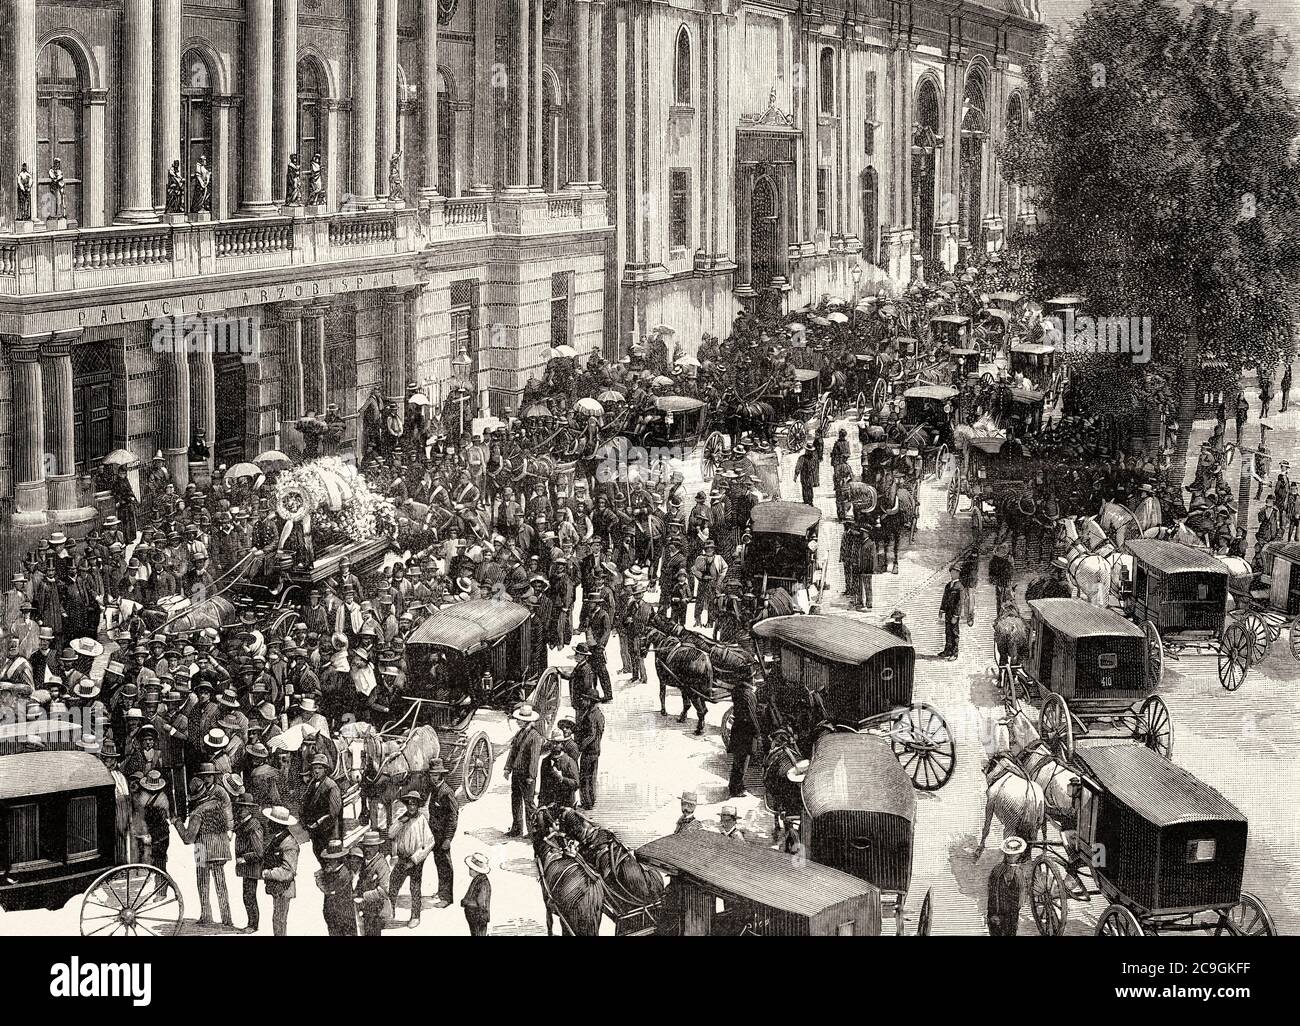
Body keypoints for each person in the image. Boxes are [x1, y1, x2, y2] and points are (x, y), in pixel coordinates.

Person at [175, 768, 234, 927]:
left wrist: (177, 823)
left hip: (202, 849)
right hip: (221, 847)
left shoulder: (197, 812)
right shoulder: (218, 803)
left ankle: (206, 916)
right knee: (221, 884)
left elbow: (188, 839)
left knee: (203, 883)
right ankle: (227, 918)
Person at [387, 789, 435, 928]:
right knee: (393, 884)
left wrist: (415, 859)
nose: (411, 807)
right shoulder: (402, 818)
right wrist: (400, 823)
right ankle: (390, 912)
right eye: (409, 804)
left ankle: (415, 916)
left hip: (415, 861)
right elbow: (391, 834)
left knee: (415, 889)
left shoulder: (421, 821)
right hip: (402, 858)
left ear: (418, 805)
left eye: (414, 804)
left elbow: (430, 842)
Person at [503, 703, 543, 836]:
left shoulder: (535, 737)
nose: (518, 722)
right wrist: (507, 768)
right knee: (515, 800)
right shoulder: (519, 733)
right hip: (516, 773)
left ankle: (533, 831)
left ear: (527, 721)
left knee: (529, 803)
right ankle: (517, 828)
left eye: (520, 720)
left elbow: (534, 758)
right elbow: (513, 752)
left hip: (527, 775)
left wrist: (531, 776)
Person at [259, 805, 300, 936]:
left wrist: (267, 873)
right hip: (277, 888)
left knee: (280, 921)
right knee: (277, 920)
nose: (268, 823)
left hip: (284, 888)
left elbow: (288, 871)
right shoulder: (278, 839)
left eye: (271, 821)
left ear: (278, 824)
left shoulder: (289, 843)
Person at [426, 758, 459, 908]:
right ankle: (441, 891)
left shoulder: (446, 792)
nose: (432, 777)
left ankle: (447, 898)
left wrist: (448, 838)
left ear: (441, 775)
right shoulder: (435, 789)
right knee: (439, 863)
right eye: (431, 775)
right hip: (435, 835)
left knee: (445, 865)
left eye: (435, 775)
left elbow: (453, 817)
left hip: (443, 836)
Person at [232, 795, 264, 933]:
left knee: (249, 896)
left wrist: (245, 858)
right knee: (247, 896)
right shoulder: (243, 822)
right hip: (246, 868)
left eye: (242, 807)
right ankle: (251, 923)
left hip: (251, 867)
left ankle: (253, 925)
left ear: (249, 809)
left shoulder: (254, 825)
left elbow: (259, 852)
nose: (239, 810)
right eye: (238, 806)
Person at [300, 752, 342, 857]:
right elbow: (305, 803)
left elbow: (334, 813)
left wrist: (318, 822)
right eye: (314, 768)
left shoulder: (331, 786)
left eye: (320, 768)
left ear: (326, 770)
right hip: (315, 831)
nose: (316, 771)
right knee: (317, 853)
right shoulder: (312, 784)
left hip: (328, 831)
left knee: (329, 857)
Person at [316, 838, 358, 936]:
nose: (327, 862)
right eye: (327, 859)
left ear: (338, 859)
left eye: (330, 859)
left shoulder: (344, 874)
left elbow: (328, 889)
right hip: (331, 914)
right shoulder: (330, 871)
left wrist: (321, 878)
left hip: (343, 916)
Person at [354, 829, 393, 936]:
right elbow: (361, 880)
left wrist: (364, 896)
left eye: (371, 847)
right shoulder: (365, 862)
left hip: (377, 908)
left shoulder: (382, 865)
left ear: (377, 847)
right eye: (366, 846)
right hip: (366, 907)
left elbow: (384, 890)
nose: (368, 849)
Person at [727, 676, 760, 798]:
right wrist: (757, 732)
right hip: (746, 732)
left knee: (737, 760)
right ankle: (737, 789)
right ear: (750, 680)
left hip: (737, 728)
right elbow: (752, 716)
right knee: (743, 761)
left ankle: (734, 785)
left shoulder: (736, 691)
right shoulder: (748, 695)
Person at [987, 835, 1026, 936]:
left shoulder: (1017, 872)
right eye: (1011, 855)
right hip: (1000, 912)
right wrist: (993, 914)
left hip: (1009, 914)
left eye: (1014, 855)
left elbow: (1021, 894)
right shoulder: (998, 871)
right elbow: (992, 893)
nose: (1012, 857)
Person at [538, 727, 580, 808]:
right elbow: (543, 786)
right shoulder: (545, 761)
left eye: (557, 743)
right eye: (552, 743)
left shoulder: (569, 761)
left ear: (562, 744)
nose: (554, 745)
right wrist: (541, 804)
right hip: (549, 803)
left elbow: (576, 783)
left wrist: (562, 778)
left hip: (566, 803)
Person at [575, 696, 604, 810]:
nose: (582, 701)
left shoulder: (590, 716)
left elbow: (591, 735)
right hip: (596, 749)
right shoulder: (599, 714)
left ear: (590, 701)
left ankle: (586, 802)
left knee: (584, 776)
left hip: (589, 750)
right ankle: (592, 800)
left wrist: (581, 746)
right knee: (592, 776)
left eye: (585, 699)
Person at [939, 564, 973, 660]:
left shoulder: (960, 586)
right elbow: (944, 599)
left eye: (956, 572)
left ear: (959, 573)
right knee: (947, 631)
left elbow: (960, 603)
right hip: (948, 613)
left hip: (954, 614)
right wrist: (941, 610)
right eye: (952, 572)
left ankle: (954, 653)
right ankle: (947, 650)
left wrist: (956, 615)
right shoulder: (948, 585)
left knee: (954, 632)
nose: (954, 574)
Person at [462, 852, 492, 936]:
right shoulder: (477, 879)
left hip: (479, 917)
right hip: (475, 916)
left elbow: (481, 903)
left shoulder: (483, 883)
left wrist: (466, 902)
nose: (469, 871)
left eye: (471, 869)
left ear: (476, 870)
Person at [794, 441, 819, 506]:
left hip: (810, 476)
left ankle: (810, 501)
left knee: (809, 488)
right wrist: (796, 475)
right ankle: (806, 500)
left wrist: (816, 479)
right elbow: (798, 467)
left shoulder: (814, 459)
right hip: (804, 475)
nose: (810, 452)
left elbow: (816, 469)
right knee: (805, 487)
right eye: (808, 451)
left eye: (811, 451)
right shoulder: (802, 458)